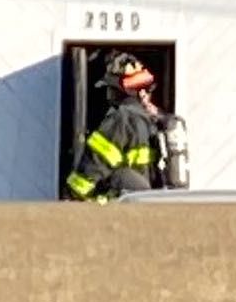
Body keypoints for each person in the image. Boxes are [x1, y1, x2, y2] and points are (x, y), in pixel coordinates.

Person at [65, 53, 169, 202]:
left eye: (111, 88)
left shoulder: (122, 119)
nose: (108, 94)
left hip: (120, 205)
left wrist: (72, 194)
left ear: (122, 90)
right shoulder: (154, 119)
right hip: (148, 203)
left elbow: (96, 163)